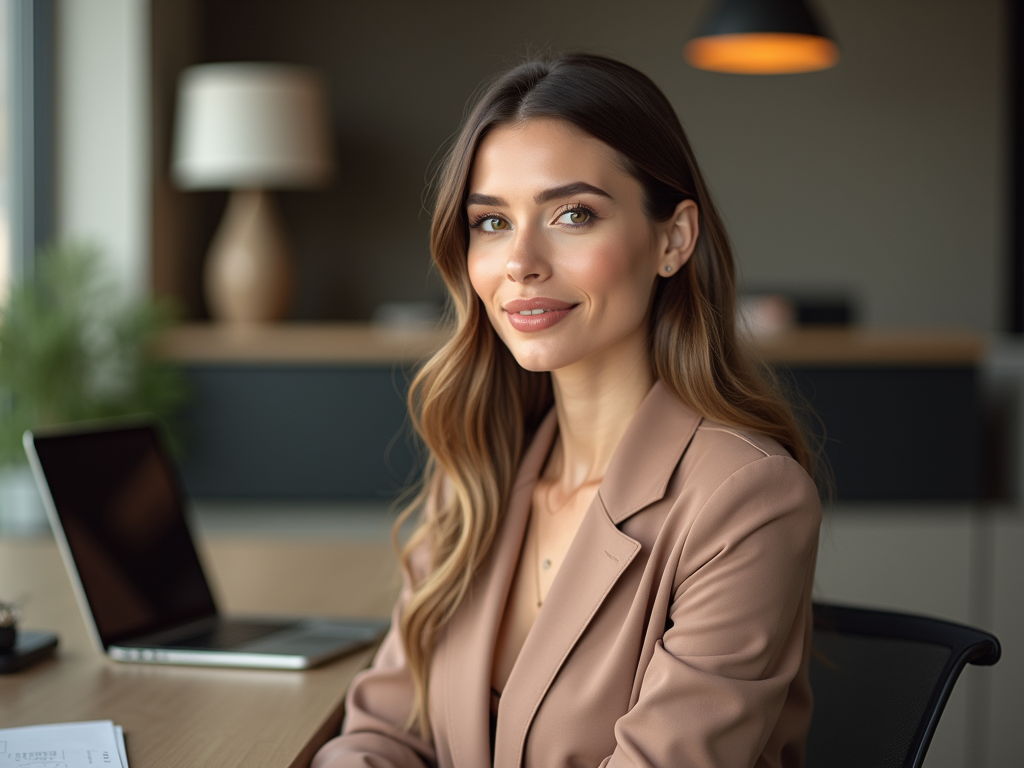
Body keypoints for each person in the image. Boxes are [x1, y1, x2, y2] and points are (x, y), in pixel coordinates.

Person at [312, 53, 822, 768]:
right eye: (491, 223)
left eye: (572, 214)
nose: (521, 260)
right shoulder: (477, 471)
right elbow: (385, 731)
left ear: (673, 239)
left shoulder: (746, 501)